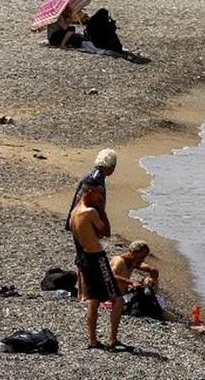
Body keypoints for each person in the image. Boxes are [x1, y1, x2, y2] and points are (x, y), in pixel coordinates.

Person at [70, 177, 127, 351]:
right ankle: (112, 339)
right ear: (88, 192)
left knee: (93, 300)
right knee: (117, 299)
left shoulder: (74, 212)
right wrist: (102, 210)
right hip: (96, 258)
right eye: (98, 194)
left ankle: (92, 339)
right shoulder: (90, 212)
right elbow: (107, 232)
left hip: (85, 257)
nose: (100, 198)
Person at [66, 149, 118, 302]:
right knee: (86, 259)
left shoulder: (94, 174)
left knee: (83, 258)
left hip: (81, 219)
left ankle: (84, 293)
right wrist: (96, 222)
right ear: (109, 166)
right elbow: (90, 201)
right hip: (85, 221)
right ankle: (86, 294)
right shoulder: (96, 178)